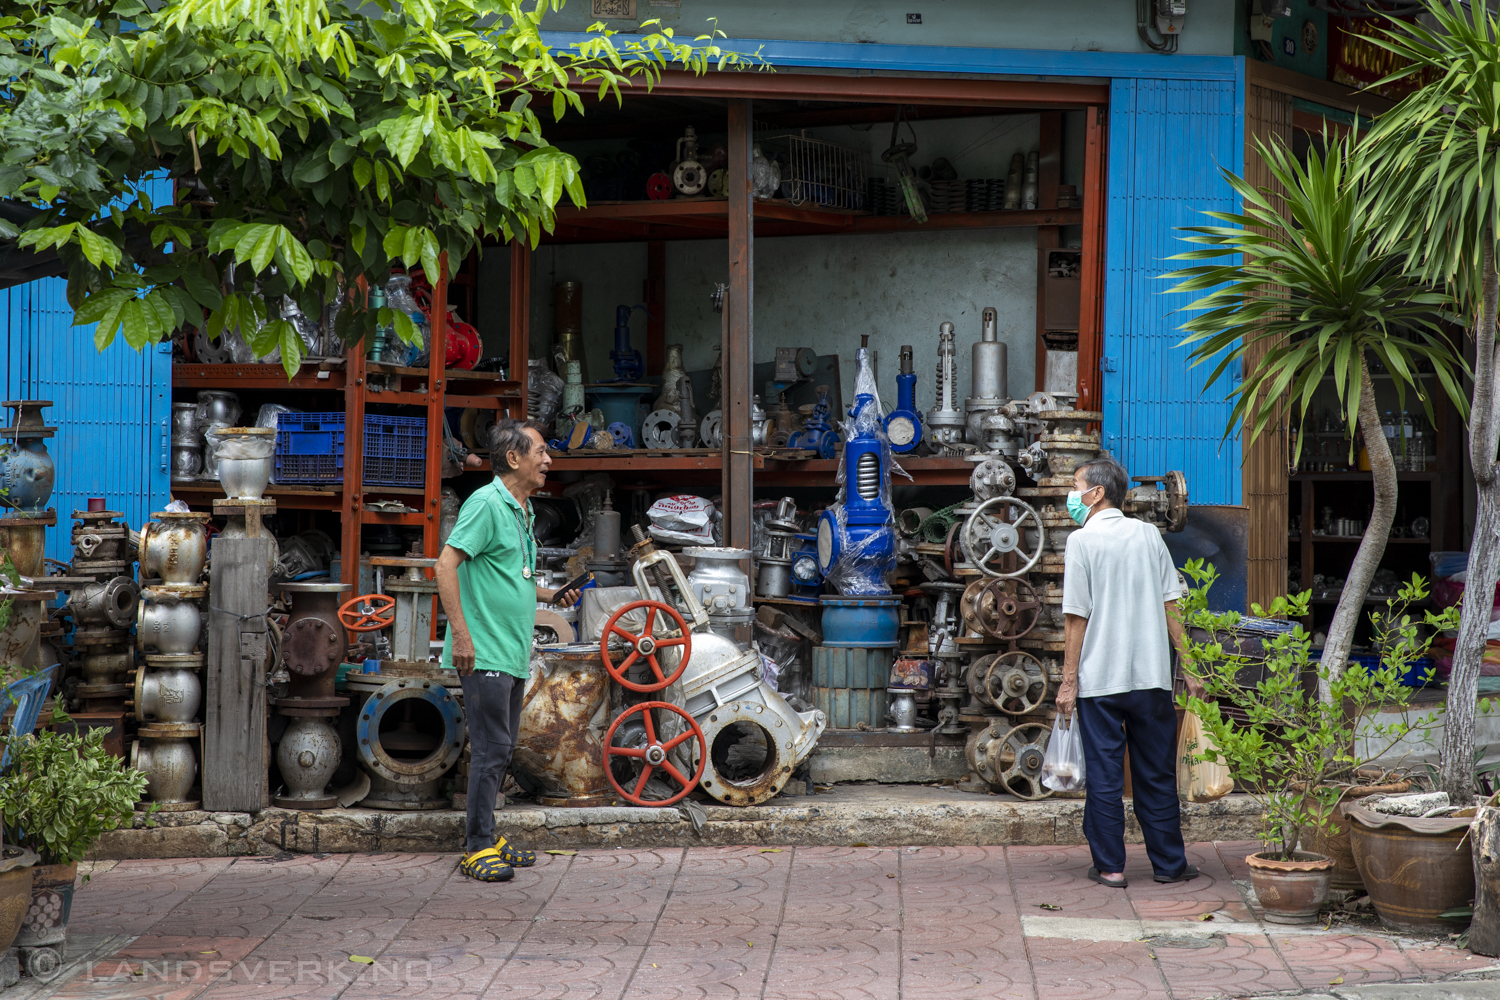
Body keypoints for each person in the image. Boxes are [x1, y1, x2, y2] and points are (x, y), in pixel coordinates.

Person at [435, 418, 579, 883]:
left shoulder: (522, 510)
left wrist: (550, 596)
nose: (548, 459)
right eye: (540, 451)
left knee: (502, 747)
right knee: (493, 748)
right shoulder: (486, 503)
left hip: (511, 651)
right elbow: (445, 566)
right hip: (484, 653)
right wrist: (461, 635)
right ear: (513, 458)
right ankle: (476, 846)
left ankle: (488, 834)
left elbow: (509, 578)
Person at [1055, 457, 1202, 888]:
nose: (1072, 495)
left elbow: (1075, 617)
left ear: (1096, 493)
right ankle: (1169, 866)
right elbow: (1171, 605)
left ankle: (1111, 867)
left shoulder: (1081, 542)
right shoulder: (1149, 535)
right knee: (1155, 773)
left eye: (1075, 486)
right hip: (1151, 679)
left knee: (1104, 775)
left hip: (1100, 681)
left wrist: (1068, 682)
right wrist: (1189, 670)